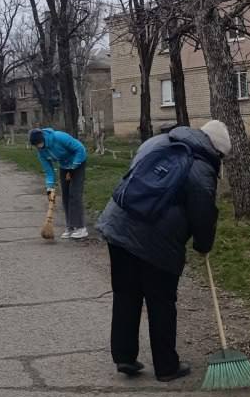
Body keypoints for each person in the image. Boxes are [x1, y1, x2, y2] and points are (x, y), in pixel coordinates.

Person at [95, 119, 229, 381]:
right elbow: (203, 214)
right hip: (158, 241)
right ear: (216, 149)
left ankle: (124, 357)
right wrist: (204, 246)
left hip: (119, 224)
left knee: (126, 294)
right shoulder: (202, 168)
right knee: (161, 302)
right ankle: (167, 366)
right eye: (222, 156)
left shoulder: (156, 142)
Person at [28, 127, 89, 239]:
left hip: (78, 161)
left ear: (42, 138)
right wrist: (49, 186)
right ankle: (70, 226)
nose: (38, 147)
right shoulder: (41, 152)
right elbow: (49, 170)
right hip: (64, 166)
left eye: (39, 144)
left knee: (74, 194)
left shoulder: (59, 137)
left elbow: (80, 149)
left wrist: (74, 165)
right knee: (65, 196)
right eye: (35, 145)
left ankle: (81, 227)